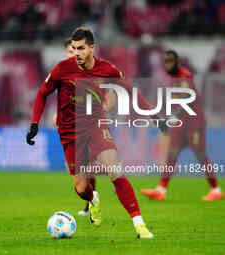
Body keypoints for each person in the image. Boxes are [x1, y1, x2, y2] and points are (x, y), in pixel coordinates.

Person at [26, 27, 165, 238]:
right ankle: (93, 199)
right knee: (81, 188)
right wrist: (35, 123)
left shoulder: (107, 69)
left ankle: (140, 225)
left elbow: (130, 91)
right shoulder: (62, 69)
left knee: (115, 171)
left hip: (96, 126)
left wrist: (154, 116)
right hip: (69, 132)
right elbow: (42, 93)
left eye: (81, 48)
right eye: (74, 48)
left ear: (92, 48)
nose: (77, 53)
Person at [141, 50, 223, 201]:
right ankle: (161, 190)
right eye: (166, 62)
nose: (168, 65)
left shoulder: (185, 77)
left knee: (200, 156)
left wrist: (170, 120)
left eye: (171, 61)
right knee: (171, 155)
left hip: (194, 124)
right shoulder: (173, 78)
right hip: (181, 125)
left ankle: (216, 189)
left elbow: (187, 101)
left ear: (177, 62)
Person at [53, 38, 96, 216]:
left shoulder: (88, 71)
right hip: (67, 124)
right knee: (76, 169)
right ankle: (91, 200)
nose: (74, 55)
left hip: (85, 124)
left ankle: (91, 203)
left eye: (76, 51)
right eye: (70, 52)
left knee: (83, 167)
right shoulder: (62, 70)